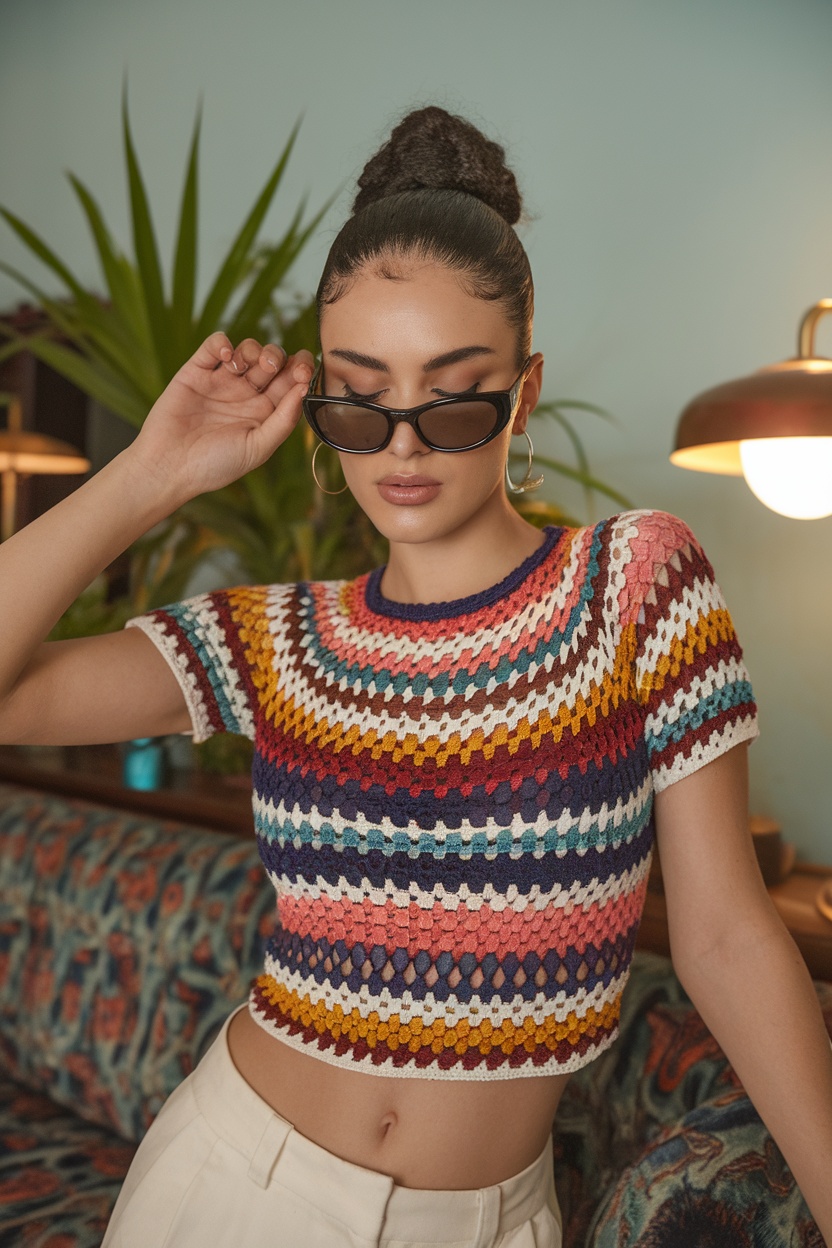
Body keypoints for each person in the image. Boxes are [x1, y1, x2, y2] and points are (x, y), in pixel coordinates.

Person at [1, 106, 830, 1248]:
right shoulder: (279, 639)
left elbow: (726, 936)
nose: (400, 445)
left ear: (524, 393)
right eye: (359, 398)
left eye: (452, 395)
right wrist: (149, 474)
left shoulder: (634, 584)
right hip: (235, 1187)